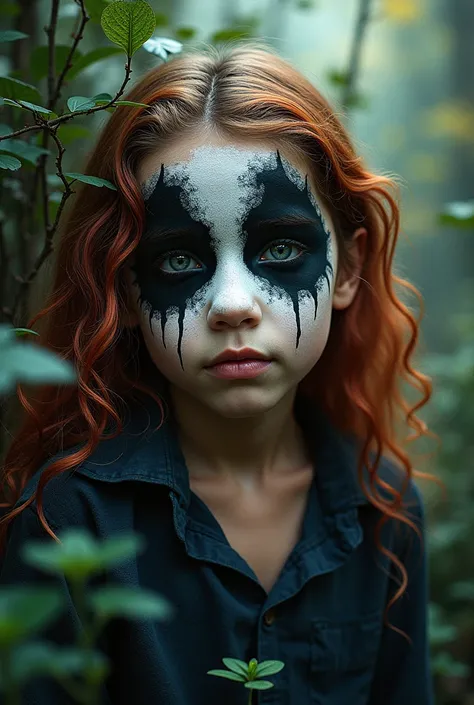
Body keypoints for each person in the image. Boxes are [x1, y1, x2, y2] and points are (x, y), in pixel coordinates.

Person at [0, 43, 435, 704]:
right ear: (125, 287)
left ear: (347, 268)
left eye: (281, 247)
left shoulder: (384, 506)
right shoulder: (66, 521)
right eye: (177, 260)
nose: (233, 304)